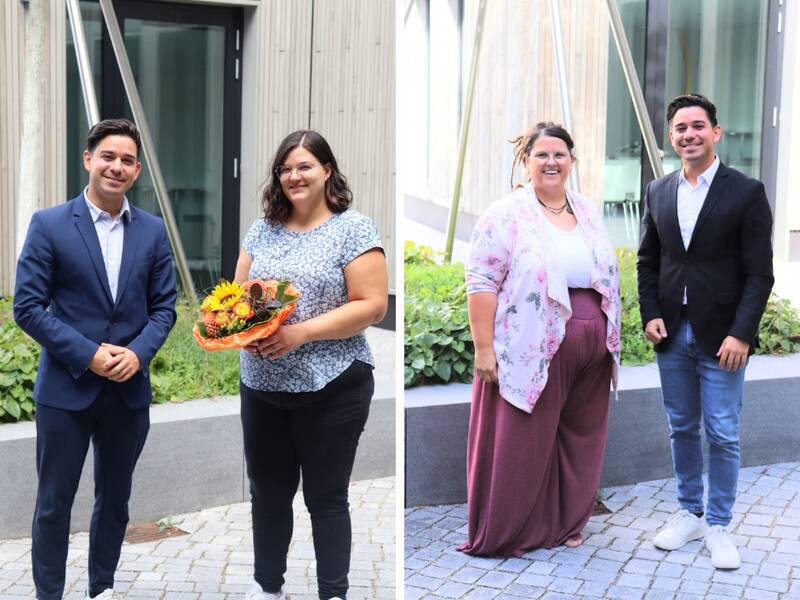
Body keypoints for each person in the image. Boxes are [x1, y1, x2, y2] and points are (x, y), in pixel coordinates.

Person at [13, 118, 177, 600]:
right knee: (53, 504)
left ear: (137, 170)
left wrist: (137, 354)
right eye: (108, 156)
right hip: (66, 390)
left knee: (116, 502)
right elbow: (27, 306)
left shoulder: (151, 230)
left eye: (127, 160)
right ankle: (50, 594)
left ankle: (101, 588)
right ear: (88, 159)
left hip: (127, 391)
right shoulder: (50, 224)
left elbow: (164, 307)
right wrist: (87, 355)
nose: (117, 166)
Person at [234, 130, 388, 600]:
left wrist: (299, 333)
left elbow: (373, 305)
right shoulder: (262, 229)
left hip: (334, 386)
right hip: (262, 385)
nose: (294, 176)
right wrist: (239, 331)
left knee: (326, 498)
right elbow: (238, 299)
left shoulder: (354, 229)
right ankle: (267, 589)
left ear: (326, 170)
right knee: (268, 496)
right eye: (285, 169)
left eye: (304, 166)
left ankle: (333, 593)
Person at [459, 121, 621, 557]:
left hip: (592, 347)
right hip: (530, 345)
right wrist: (484, 348)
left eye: (559, 154)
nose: (551, 162)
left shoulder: (586, 210)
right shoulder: (506, 214)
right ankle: (511, 531)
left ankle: (566, 523)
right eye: (542, 155)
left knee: (579, 438)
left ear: (572, 160)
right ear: (526, 161)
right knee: (523, 440)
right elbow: (481, 281)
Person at [637, 94, 773, 569]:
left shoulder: (746, 191)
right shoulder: (658, 190)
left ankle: (718, 526)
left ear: (716, 132)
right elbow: (648, 260)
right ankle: (689, 512)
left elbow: (759, 274)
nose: (689, 134)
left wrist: (742, 333)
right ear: (671, 137)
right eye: (680, 128)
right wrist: (650, 311)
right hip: (671, 333)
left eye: (698, 126)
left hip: (723, 338)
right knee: (681, 428)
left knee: (722, 432)